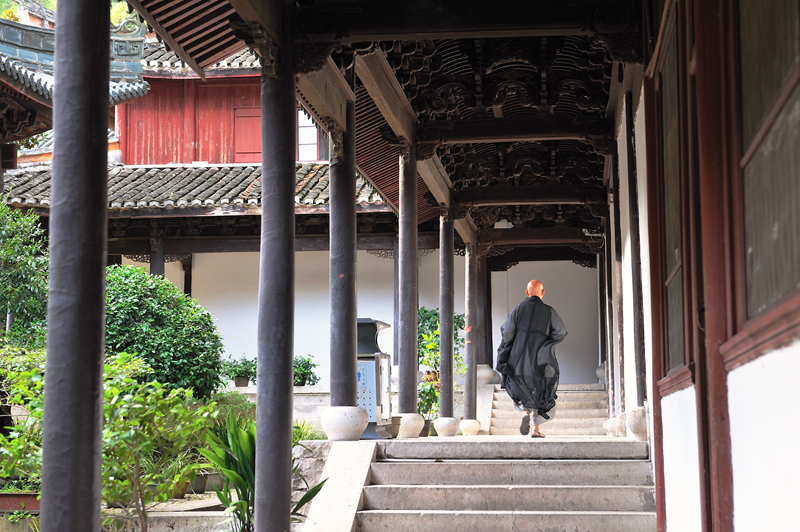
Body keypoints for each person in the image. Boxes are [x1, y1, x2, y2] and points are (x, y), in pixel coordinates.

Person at [496, 279, 567, 438]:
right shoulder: (549, 311)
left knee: (522, 387)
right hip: (540, 360)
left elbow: (507, 332)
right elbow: (561, 332)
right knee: (539, 390)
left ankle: (525, 414)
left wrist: (507, 349)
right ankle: (536, 430)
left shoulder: (518, 309)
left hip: (518, 358)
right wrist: (547, 343)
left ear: (527, 293)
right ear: (542, 292)